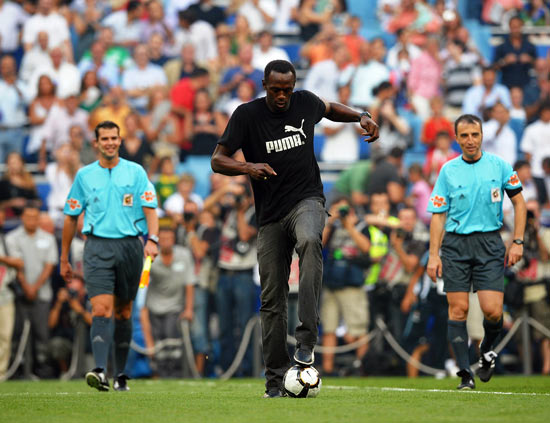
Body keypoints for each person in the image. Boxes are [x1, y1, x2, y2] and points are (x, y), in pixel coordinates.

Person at [210, 59, 379, 398]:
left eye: (287, 90)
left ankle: (306, 339)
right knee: (271, 299)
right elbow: (217, 159)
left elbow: (330, 109)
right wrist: (247, 167)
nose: (282, 96)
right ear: (264, 85)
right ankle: (275, 381)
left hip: (307, 200)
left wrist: (361, 115)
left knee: (311, 240)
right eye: (276, 90)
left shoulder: (305, 102)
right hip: (270, 215)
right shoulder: (247, 115)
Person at [427, 114, 526, 390]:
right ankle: (465, 375)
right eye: (464, 136)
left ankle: (487, 350)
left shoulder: (499, 165)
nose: (470, 140)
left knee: (493, 311)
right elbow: (438, 215)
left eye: (475, 134)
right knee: (458, 309)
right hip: (455, 245)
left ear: (482, 136)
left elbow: (520, 203)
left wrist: (517, 241)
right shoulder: (448, 170)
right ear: (456, 138)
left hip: (489, 243)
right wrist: (433, 255)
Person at [60, 120, 159, 392]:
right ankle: (101, 371)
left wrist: (152, 239)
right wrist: (64, 258)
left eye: (114, 138)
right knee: (101, 309)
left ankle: (121, 374)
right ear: (96, 143)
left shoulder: (136, 172)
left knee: (124, 311)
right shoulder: (84, 176)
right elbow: (70, 217)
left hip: (130, 247)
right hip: (97, 247)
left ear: (120, 140)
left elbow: (150, 208)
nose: (110, 143)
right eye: (104, 138)